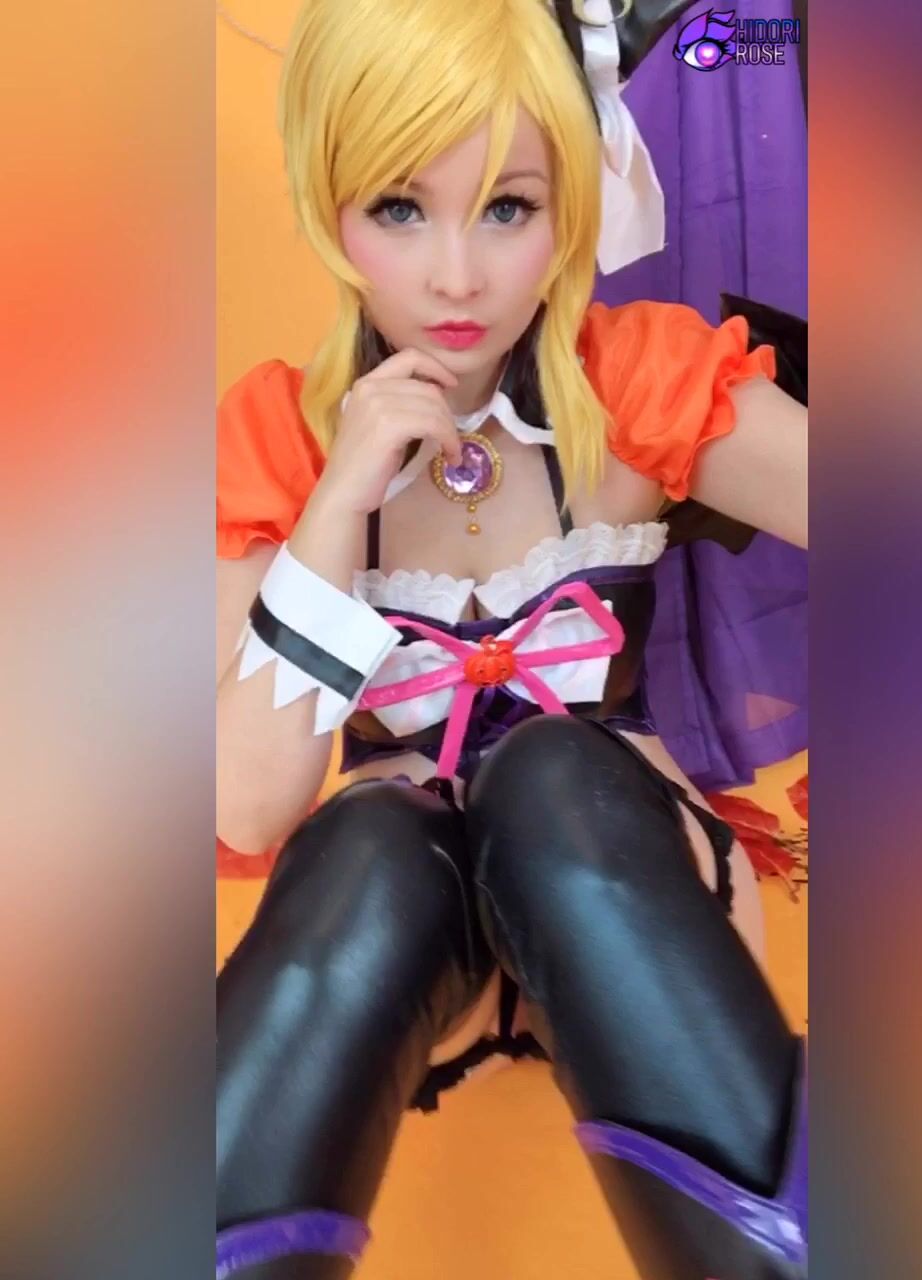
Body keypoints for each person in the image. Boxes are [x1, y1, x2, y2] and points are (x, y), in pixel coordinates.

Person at [215, 2, 808, 1276]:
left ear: (570, 206)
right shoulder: (279, 436)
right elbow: (249, 805)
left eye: (505, 207)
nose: (456, 277)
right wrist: (339, 497)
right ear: (327, 204)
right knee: (372, 835)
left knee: (548, 770)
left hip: (633, 901)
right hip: (406, 950)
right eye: (399, 207)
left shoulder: (633, 378)